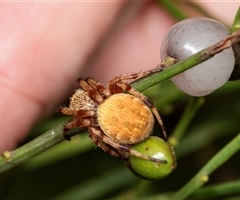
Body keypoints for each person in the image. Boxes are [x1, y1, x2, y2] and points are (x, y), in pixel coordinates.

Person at [0, 2, 237, 153]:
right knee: (117, 93)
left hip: (121, 119)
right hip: (117, 122)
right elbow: (83, 119)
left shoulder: (92, 110)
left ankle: (137, 138)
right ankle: (136, 141)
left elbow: (82, 114)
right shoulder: (90, 116)